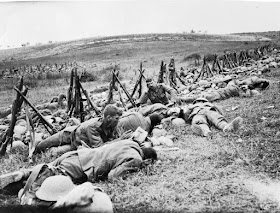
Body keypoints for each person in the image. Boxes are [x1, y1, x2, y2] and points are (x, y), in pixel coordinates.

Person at [0, 139, 158, 191]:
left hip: (76, 155)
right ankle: (18, 186)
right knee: (48, 180)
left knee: (46, 167)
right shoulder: (135, 158)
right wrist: (137, 169)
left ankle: (23, 173)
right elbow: (113, 176)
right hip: (81, 167)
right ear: (148, 160)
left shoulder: (130, 142)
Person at [34, 104, 123, 154]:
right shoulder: (93, 127)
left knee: (54, 152)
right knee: (40, 147)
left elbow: (112, 141)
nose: (118, 120)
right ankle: (35, 140)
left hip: (77, 145)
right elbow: (100, 147)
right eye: (116, 118)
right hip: (69, 134)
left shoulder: (111, 126)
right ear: (108, 118)